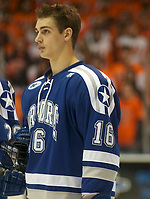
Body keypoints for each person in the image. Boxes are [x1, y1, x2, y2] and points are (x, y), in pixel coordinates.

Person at [20, 3, 120, 199]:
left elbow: (101, 152)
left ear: (67, 34)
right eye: (37, 31)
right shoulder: (32, 90)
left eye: (46, 31)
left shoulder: (91, 82)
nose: (37, 38)